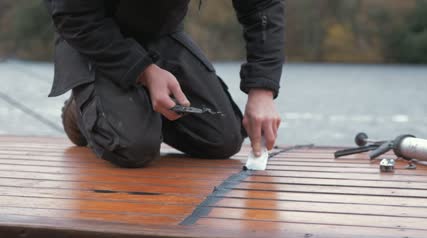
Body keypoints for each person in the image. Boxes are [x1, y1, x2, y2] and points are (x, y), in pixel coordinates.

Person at [44, 0, 285, 168]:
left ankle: (132, 105)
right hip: (93, 37)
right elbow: (72, 15)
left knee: (223, 140)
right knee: (134, 148)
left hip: (160, 34)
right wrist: (144, 71)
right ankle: (81, 109)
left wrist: (262, 90)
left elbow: (261, 5)